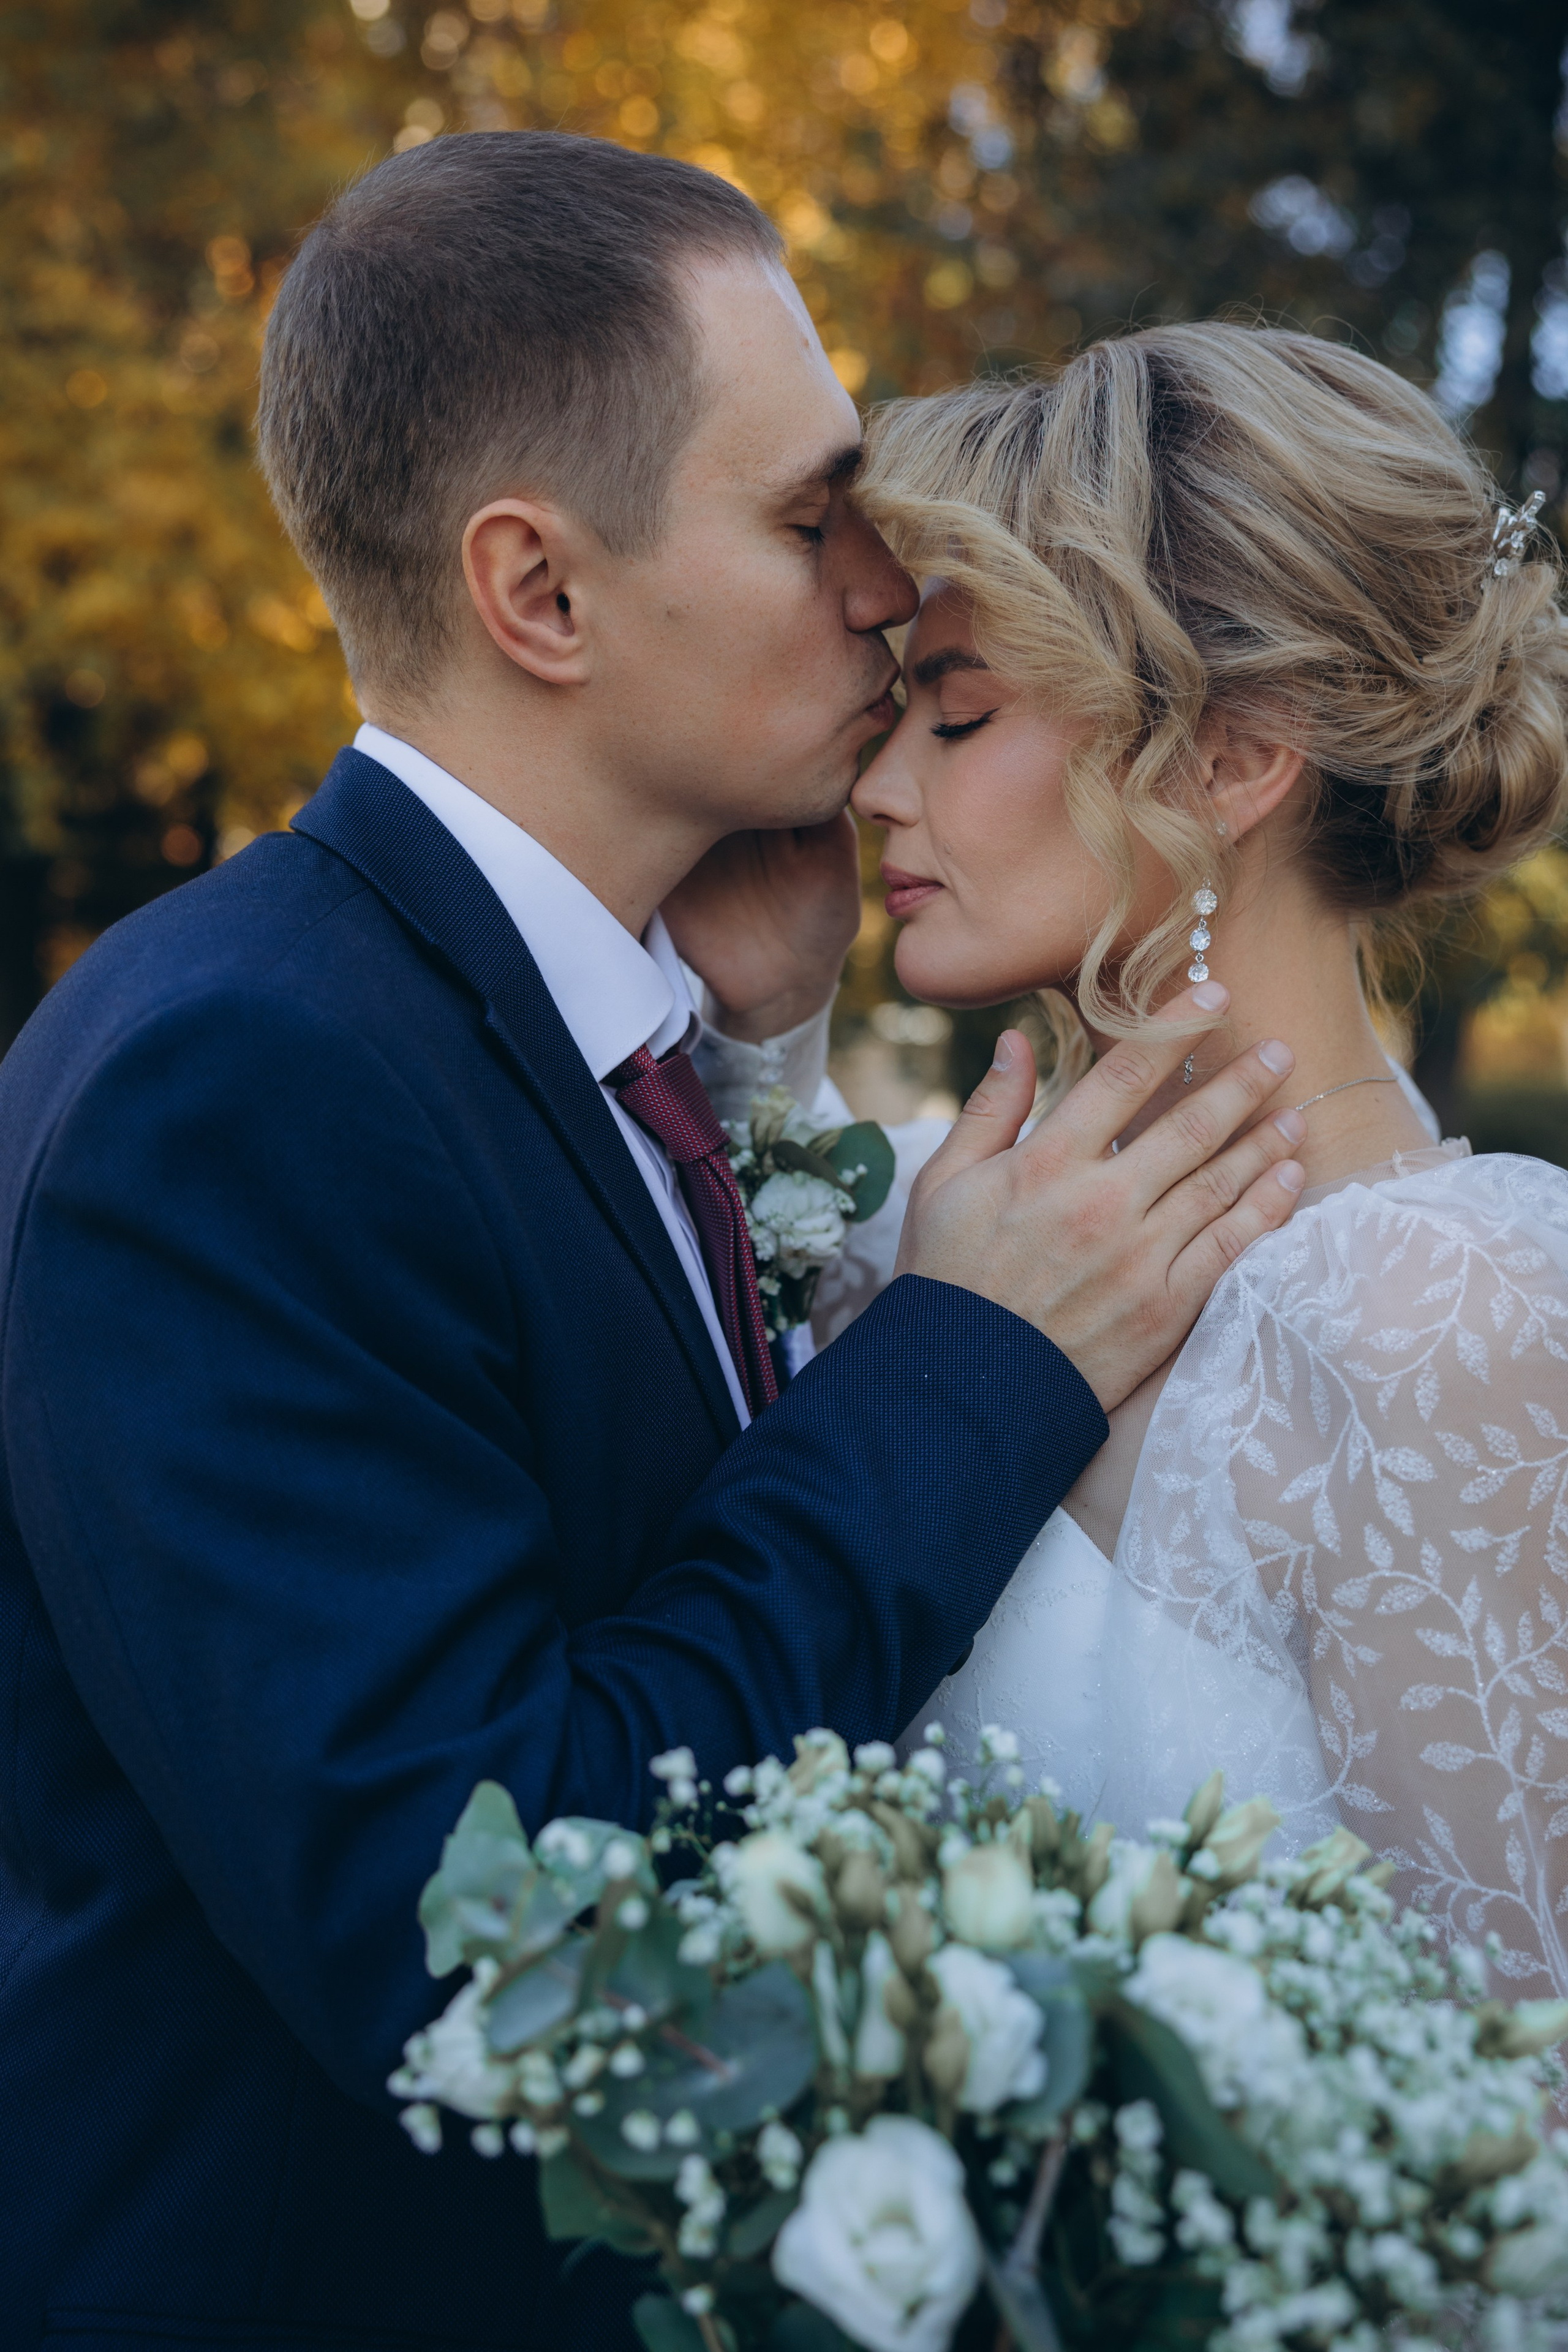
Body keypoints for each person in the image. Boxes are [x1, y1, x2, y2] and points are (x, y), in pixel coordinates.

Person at [0, 140, 1306, 2349]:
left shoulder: (569, 1033)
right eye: (810, 522)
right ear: (542, 596)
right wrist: (973, 1363)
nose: (890, 588)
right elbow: (482, 1933)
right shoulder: (242, 1082)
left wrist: (756, 1047)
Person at [820, 320, 1568, 1994]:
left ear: (1231, 758)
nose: (874, 785)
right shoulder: (903, 1236)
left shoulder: (1450, 1315)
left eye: (956, 717)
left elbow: (1525, 2111)